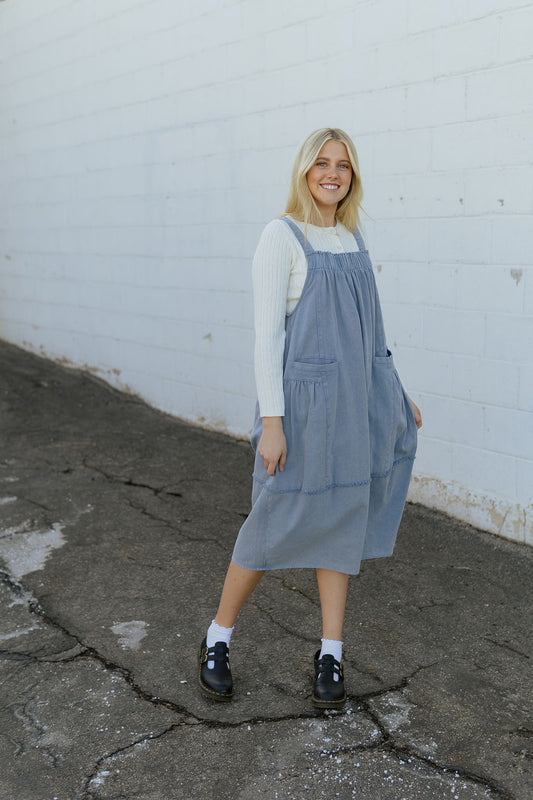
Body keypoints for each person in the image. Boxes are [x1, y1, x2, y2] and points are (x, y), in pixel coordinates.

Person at [198, 128, 422, 708]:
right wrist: (273, 423)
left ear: (353, 176)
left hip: (354, 405)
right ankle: (218, 637)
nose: (333, 174)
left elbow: (372, 332)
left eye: (343, 165)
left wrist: (397, 392)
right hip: (300, 410)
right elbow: (266, 338)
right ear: (304, 171)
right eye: (322, 163)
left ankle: (331, 652)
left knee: (341, 520)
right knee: (271, 521)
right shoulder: (281, 236)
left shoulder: (352, 237)